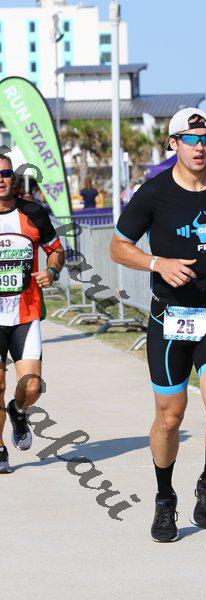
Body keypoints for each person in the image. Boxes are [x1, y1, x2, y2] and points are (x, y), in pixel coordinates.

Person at [110, 108, 206, 542]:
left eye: (205, 138)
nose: (199, 146)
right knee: (170, 419)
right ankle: (164, 498)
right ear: (173, 144)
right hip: (169, 317)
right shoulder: (153, 193)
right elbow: (118, 247)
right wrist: (158, 263)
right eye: (190, 139)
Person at [0, 154, 64, 474]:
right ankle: (0, 449)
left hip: (25, 313)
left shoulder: (33, 213)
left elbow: (56, 251)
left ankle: (18, 411)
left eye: (4, 173)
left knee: (32, 387)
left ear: (13, 177)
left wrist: (52, 272)